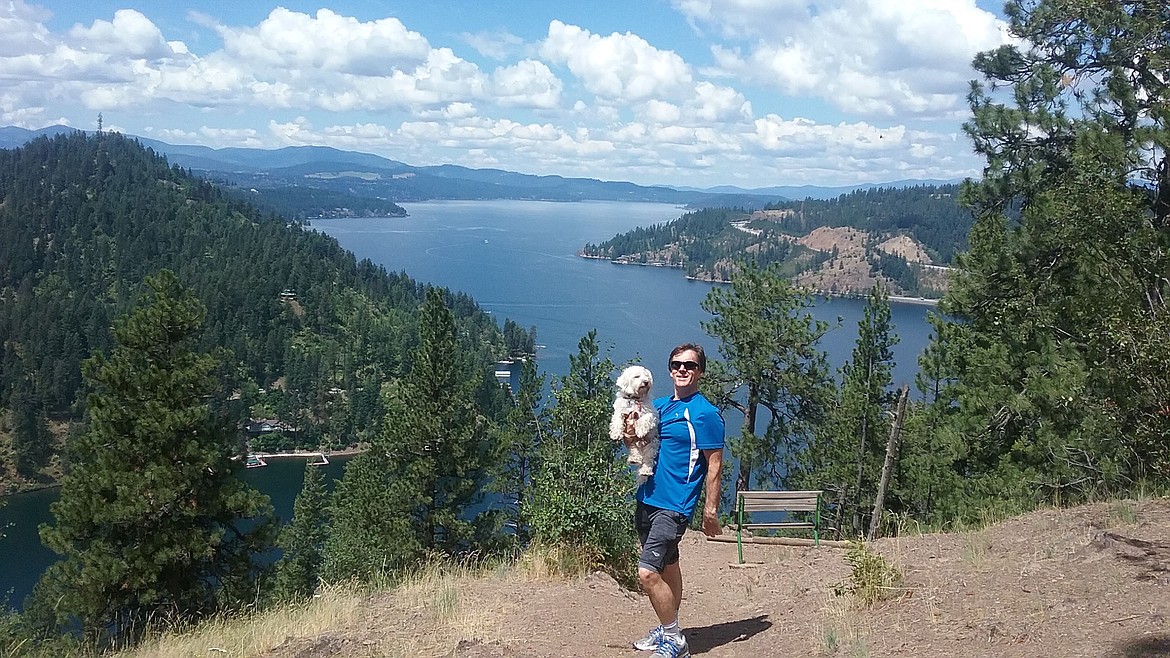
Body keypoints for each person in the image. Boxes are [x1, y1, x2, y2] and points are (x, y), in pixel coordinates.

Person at [624, 343, 725, 657]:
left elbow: (715, 463)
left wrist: (710, 509)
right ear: (669, 369)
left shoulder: (705, 413)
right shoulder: (661, 406)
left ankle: (674, 641)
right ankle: (671, 627)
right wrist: (629, 434)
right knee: (668, 565)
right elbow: (639, 441)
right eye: (677, 364)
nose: (683, 369)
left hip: (675, 505)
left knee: (647, 572)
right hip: (648, 495)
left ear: (700, 372)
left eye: (690, 365)